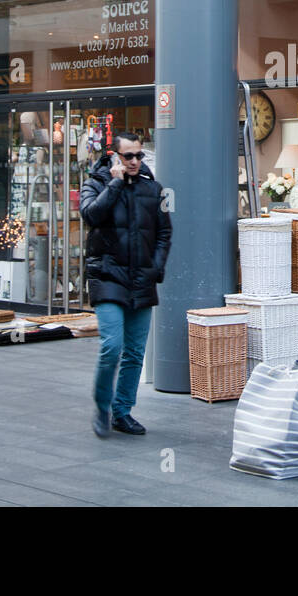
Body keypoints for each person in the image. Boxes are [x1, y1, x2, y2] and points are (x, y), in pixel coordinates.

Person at [79, 133, 172, 438]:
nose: (134, 161)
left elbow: (163, 233)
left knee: (134, 352)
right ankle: (102, 406)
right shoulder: (96, 182)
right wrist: (115, 184)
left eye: (138, 156)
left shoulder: (153, 188)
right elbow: (91, 215)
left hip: (141, 278)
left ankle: (123, 411)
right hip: (107, 276)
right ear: (115, 156)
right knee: (112, 347)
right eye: (128, 156)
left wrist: (155, 268)